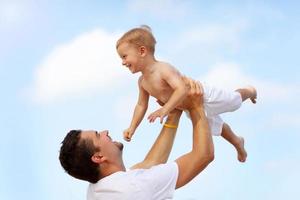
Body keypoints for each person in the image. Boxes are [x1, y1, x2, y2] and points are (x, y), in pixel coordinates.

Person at [116, 25, 257, 162]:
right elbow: (141, 105)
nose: (122, 62)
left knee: (234, 102)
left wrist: (165, 109)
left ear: (142, 51)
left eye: (124, 56)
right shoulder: (142, 82)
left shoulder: (163, 69)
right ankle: (238, 142)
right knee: (215, 127)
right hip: (190, 107)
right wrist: (132, 127)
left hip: (202, 95)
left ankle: (249, 91)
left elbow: (182, 89)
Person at [59, 79, 214, 200]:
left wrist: (173, 114)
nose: (105, 132)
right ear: (98, 157)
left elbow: (150, 164)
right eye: (98, 135)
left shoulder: (98, 190)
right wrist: (196, 106)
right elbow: (203, 156)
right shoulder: (133, 188)